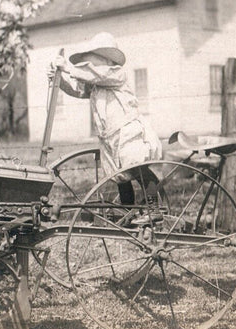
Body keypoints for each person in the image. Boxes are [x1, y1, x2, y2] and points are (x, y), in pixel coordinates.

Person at [50, 32, 162, 205]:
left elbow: (98, 75)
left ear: (109, 61)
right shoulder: (96, 85)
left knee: (136, 166)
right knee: (120, 176)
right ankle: (127, 210)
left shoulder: (116, 75)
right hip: (109, 136)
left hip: (126, 131)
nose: (89, 67)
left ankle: (154, 207)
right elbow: (78, 90)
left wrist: (68, 68)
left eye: (93, 63)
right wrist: (60, 79)